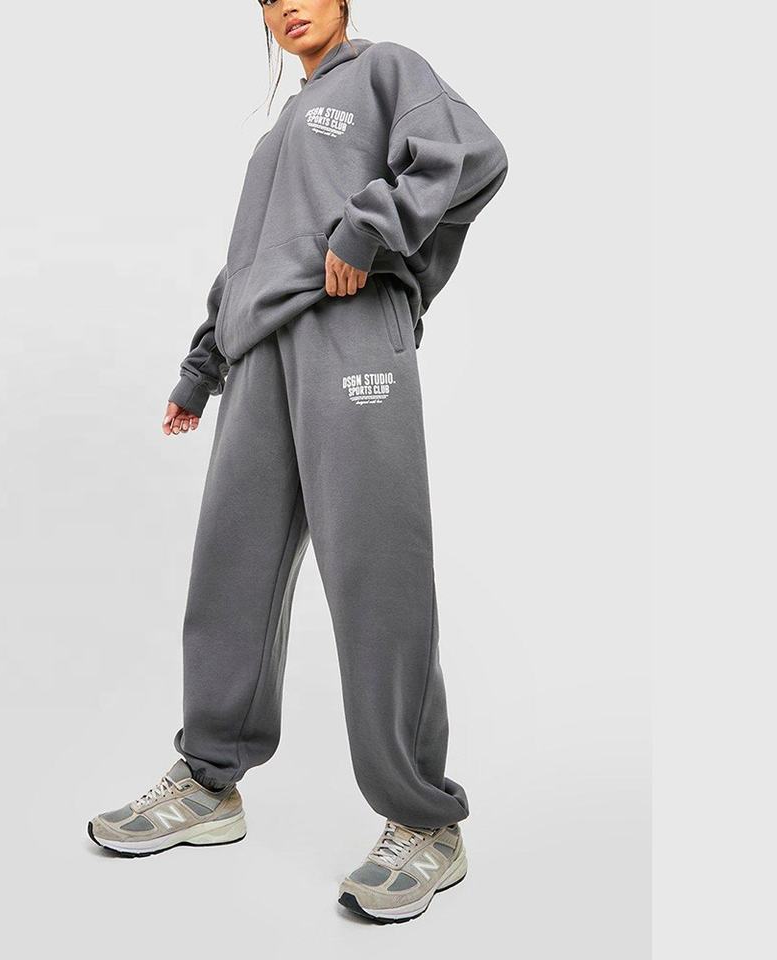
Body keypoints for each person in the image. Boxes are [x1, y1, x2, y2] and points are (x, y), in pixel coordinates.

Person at [88, 1, 508, 924]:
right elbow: (252, 258)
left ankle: (424, 820)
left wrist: (369, 229)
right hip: (259, 358)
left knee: (375, 570)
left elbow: (472, 155)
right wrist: (203, 364)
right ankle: (210, 781)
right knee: (231, 562)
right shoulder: (281, 129)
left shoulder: (387, 69)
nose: (286, 4)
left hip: (351, 330)